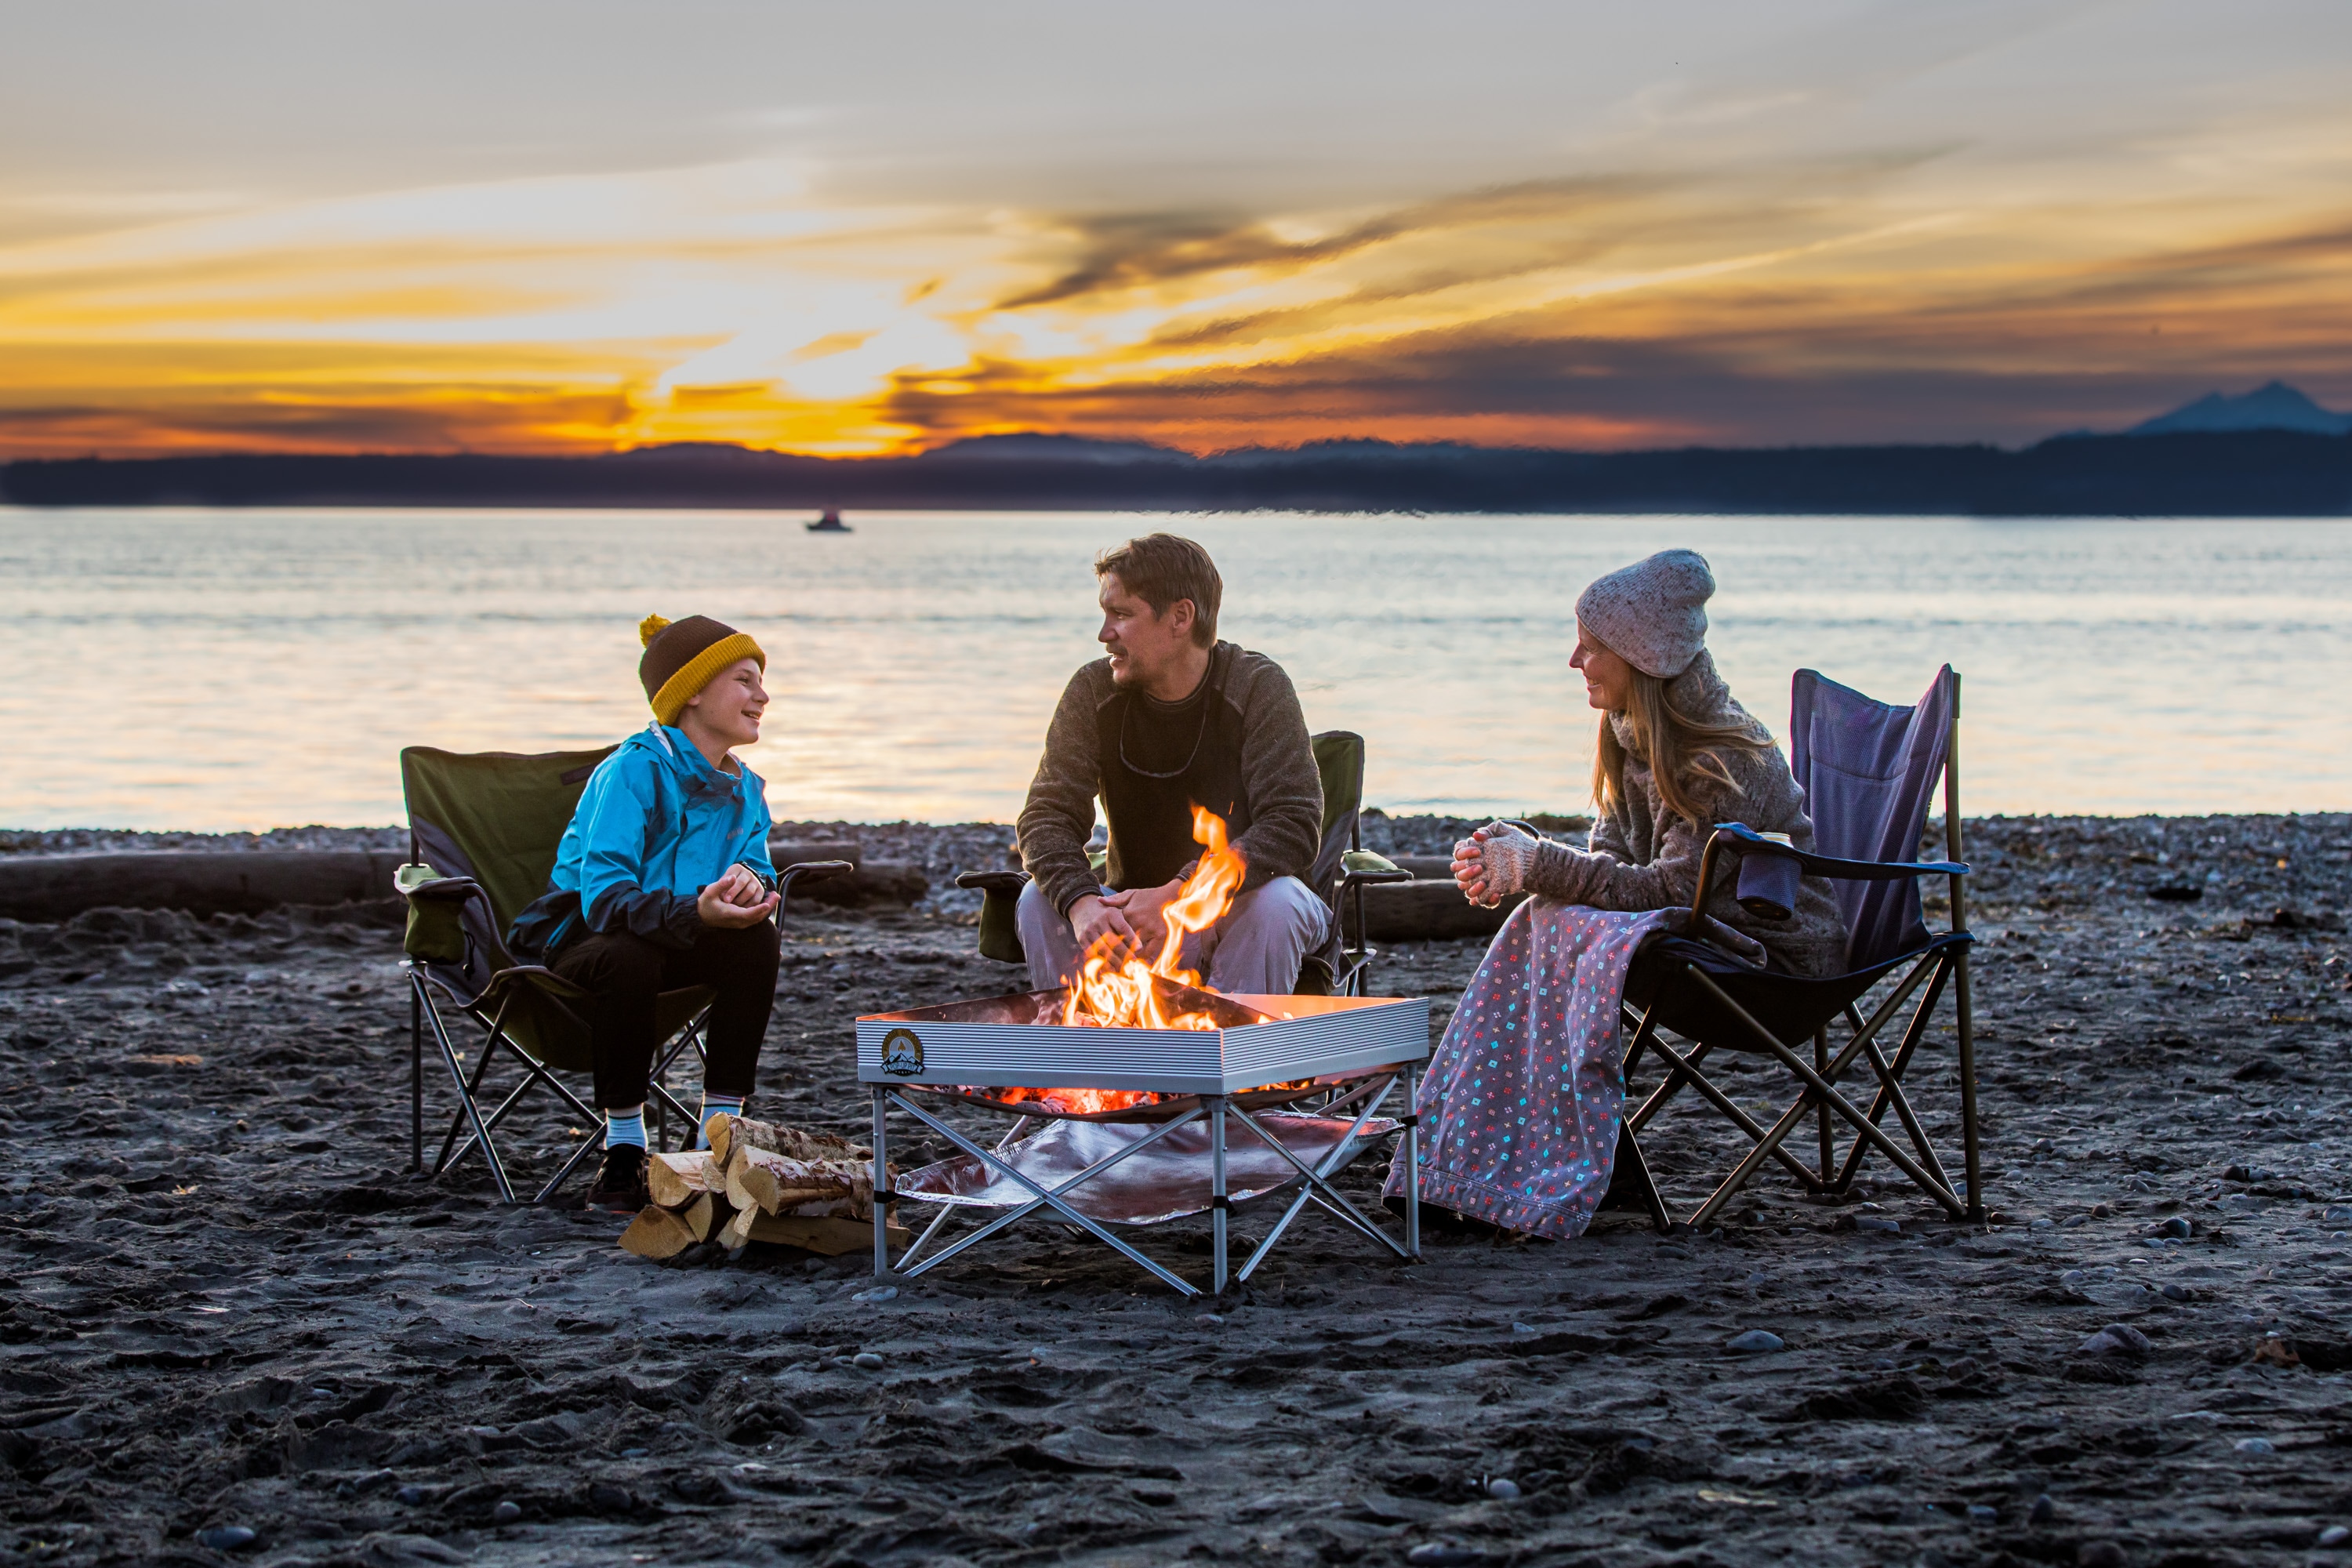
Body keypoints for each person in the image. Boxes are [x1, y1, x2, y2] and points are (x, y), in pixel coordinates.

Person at [1390, 549, 1847, 1239]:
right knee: (1544, 918)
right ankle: (1476, 1162)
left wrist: (1540, 864)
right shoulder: (1631, 734)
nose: (1576, 661)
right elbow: (1610, 862)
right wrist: (1524, 855)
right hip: (1694, 944)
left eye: (1591, 646)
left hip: (1770, 963)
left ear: (1642, 657)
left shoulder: (1728, 762)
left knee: (1549, 917)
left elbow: (1667, 885)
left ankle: (1517, 1162)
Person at [509, 614, 783, 1211]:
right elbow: (605, 899)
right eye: (744, 679)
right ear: (691, 692)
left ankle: (719, 1136)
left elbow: (757, 863)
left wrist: (749, 886)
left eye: (761, 681)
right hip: (585, 946)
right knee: (630, 956)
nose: (763, 696)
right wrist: (698, 913)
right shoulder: (633, 769)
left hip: (678, 942)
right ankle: (625, 1148)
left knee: (756, 942)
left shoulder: (746, 789)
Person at [1015, 533, 1328, 996]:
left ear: (1180, 617)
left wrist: (1181, 893)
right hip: (1133, 918)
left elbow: (1293, 825)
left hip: (1241, 909)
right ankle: (1086, 1059)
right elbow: (1045, 815)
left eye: (1121, 615)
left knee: (1274, 905)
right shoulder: (1093, 692)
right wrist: (1083, 903)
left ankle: (1237, 1061)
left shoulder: (1256, 687)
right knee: (1035, 900)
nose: (1104, 634)